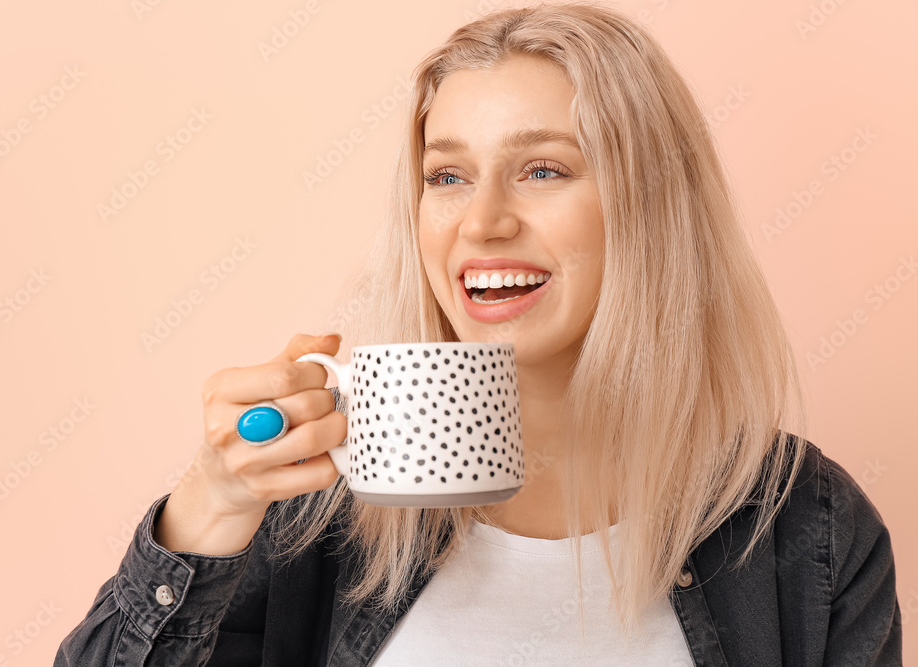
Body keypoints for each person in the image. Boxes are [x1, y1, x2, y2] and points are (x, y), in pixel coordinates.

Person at [55, 3, 902, 665]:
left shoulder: (807, 527)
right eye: (448, 176)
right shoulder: (309, 518)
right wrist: (208, 509)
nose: (482, 222)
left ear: (653, 206)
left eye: (544, 169)